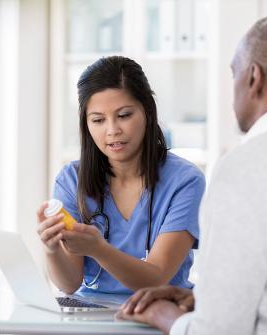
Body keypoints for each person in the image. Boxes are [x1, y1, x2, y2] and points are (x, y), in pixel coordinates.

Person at [117, 14, 267, 334]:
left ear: (254, 78)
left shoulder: (243, 167)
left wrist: (162, 315)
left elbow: (217, 332)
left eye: (234, 72)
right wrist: (205, 299)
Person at [36, 56, 206, 295]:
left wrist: (98, 249)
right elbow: (69, 284)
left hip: (159, 315)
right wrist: (52, 249)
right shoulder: (71, 179)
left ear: (147, 111)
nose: (112, 130)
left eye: (124, 115)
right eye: (98, 120)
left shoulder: (185, 181)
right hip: (91, 320)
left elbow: (157, 277)